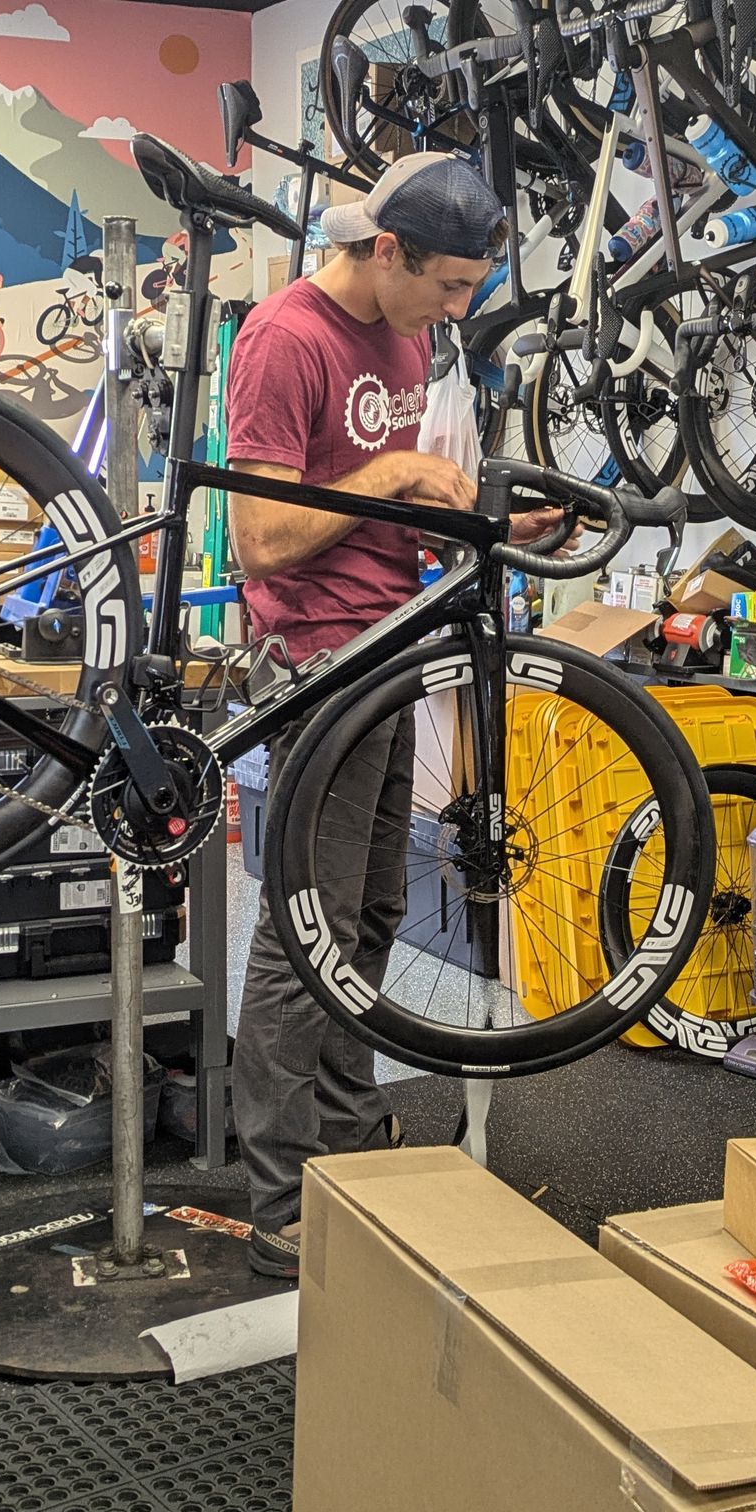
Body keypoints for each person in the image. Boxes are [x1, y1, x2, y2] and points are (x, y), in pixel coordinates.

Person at [225, 152, 535, 1280]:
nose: (457, 313)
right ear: (387, 250)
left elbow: (383, 502)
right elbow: (263, 539)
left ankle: (348, 1141)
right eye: (449, 287)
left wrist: (474, 513)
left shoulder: (408, 337)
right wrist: (399, 475)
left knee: (367, 913)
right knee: (300, 925)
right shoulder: (285, 337)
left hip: (388, 643)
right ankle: (277, 1195)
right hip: (312, 655)